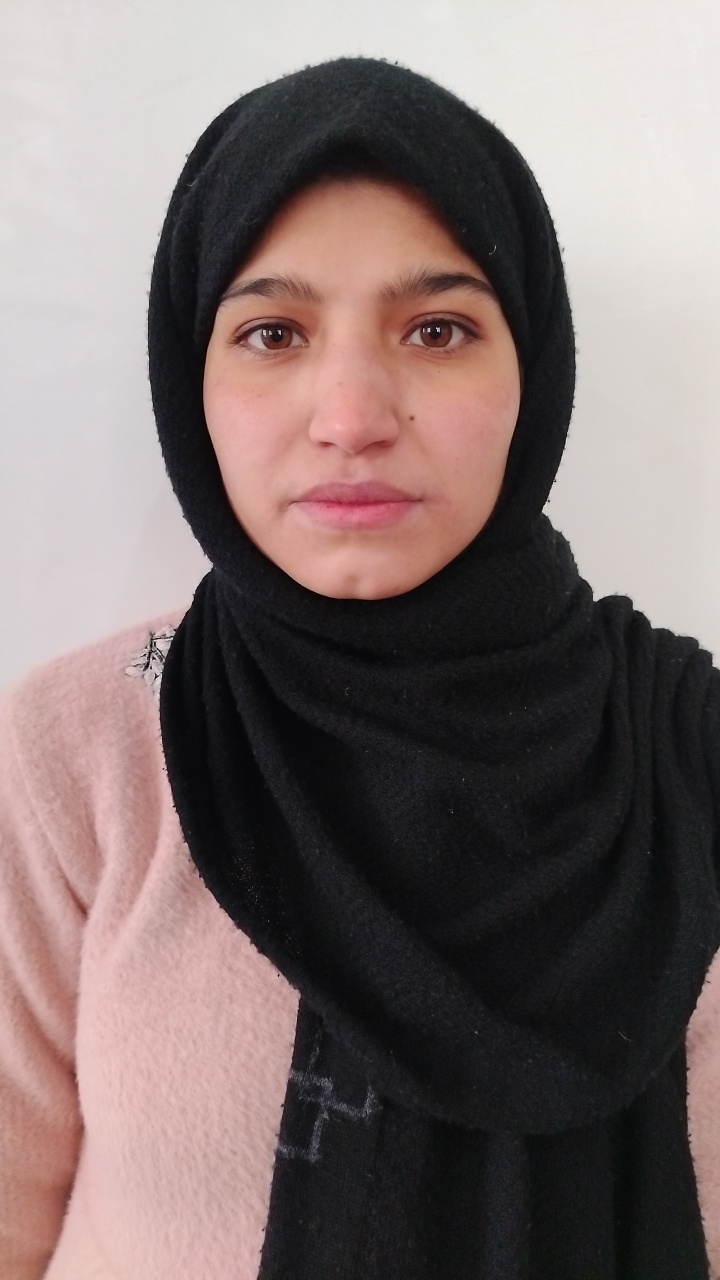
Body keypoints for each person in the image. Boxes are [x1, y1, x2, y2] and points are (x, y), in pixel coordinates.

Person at [1, 55, 719, 1280]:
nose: (351, 415)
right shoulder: (80, 749)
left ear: (533, 366)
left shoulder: (684, 754)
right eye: (272, 332)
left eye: (437, 329)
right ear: (190, 378)